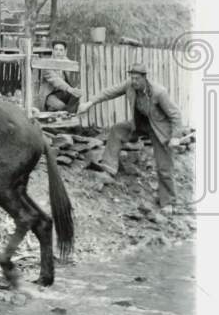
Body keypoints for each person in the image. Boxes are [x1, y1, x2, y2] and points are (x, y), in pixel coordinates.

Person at [78, 62, 183, 213]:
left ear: (145, 78)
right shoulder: (129, 86)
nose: (134, 81)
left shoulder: (159, 92)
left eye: (137, 79)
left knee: (164, 167)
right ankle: (108, 168)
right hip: (140, 124)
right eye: (132, 78)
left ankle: (168, 202)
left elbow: (175, 115)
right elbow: (109, 92)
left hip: (160, 129)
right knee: (117, 130)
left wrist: (175, 137)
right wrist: (90, 103)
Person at [40, 40, 82, 112]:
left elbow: (75, 76)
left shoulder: (67, 63)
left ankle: (68, 112)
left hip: (65, 93)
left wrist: (75, 89)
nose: (58, 52)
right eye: (56, 49)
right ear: (52, 51)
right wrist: (69, 88)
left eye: (61, 50)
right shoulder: (47, 64)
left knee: (78, 95)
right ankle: (65, 111)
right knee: (61, 106)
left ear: (65, 52)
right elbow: (55, 80)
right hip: (51, 95)